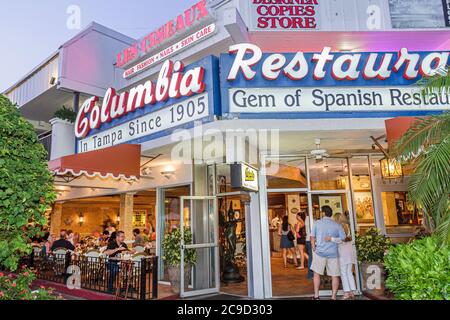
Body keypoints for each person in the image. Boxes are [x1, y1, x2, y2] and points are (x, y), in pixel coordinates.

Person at [310, 205, 346, 300]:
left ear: (323, 213)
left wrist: (314, 248)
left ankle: (316, 296)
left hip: (320, 253)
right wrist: (333, 239)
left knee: (316, 274)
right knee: (335, 275)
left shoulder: (317, 223)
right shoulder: (336, 225)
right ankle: (333, 297)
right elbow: (343, 239)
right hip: (333, 253)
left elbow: (312, 237)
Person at [326, 213, 357, 300]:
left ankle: (347, 292)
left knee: (343, 272)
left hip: (343, 251)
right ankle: (352, 291)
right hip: (350, 251)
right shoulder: (348, 226)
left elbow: (341, 240)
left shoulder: (339, 227)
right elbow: (349, 238)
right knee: (349, 272)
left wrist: (331, 239)